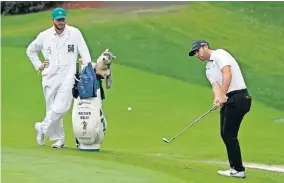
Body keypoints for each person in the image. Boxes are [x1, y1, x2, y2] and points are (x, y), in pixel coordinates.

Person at [26, 7, 92, 148]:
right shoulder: (44, 36)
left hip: (69, 75)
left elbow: (84, 53)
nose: (61, 22)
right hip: (49, 76)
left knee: (61, 107)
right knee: (52, 108)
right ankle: (59, 139)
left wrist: (88, 69)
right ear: (53, 20)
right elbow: (30, 50)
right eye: (58, 20)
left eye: (63, 19)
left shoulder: (74, 33)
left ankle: (42, 127)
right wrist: (39, 65)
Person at [188, 40, 252, 178]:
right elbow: (215, 86)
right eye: (194, 53)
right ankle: (236, 168)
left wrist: (223, 94)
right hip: (229, 99)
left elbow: (227, 73)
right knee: (225, 133)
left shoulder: (219, 54)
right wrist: (217, 98)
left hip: (239, 97)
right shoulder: (208, 69)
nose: (197, 55)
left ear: (205, 47)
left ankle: (238, 169)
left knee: (229, 134)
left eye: (197, 51)